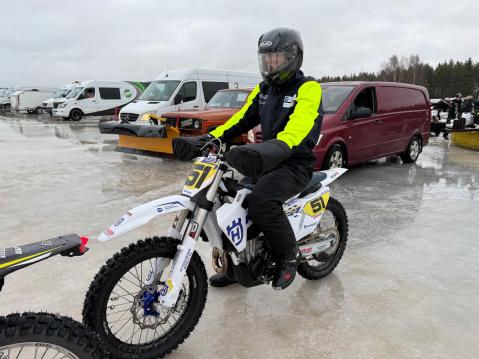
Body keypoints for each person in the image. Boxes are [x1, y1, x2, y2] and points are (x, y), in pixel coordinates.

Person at [205, 28, 323, 289]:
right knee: (231, 201)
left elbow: (299, 126)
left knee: (261, 203)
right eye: (266, 59)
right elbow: (240, 120)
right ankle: (235, 268)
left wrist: (279, 146)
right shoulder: (264, 90)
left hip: (294, 163)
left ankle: (289, 256)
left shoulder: (308, 88)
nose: (270, 64)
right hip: (266, 160)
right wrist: (210, 139)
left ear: (293, 57)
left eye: (276, 58)